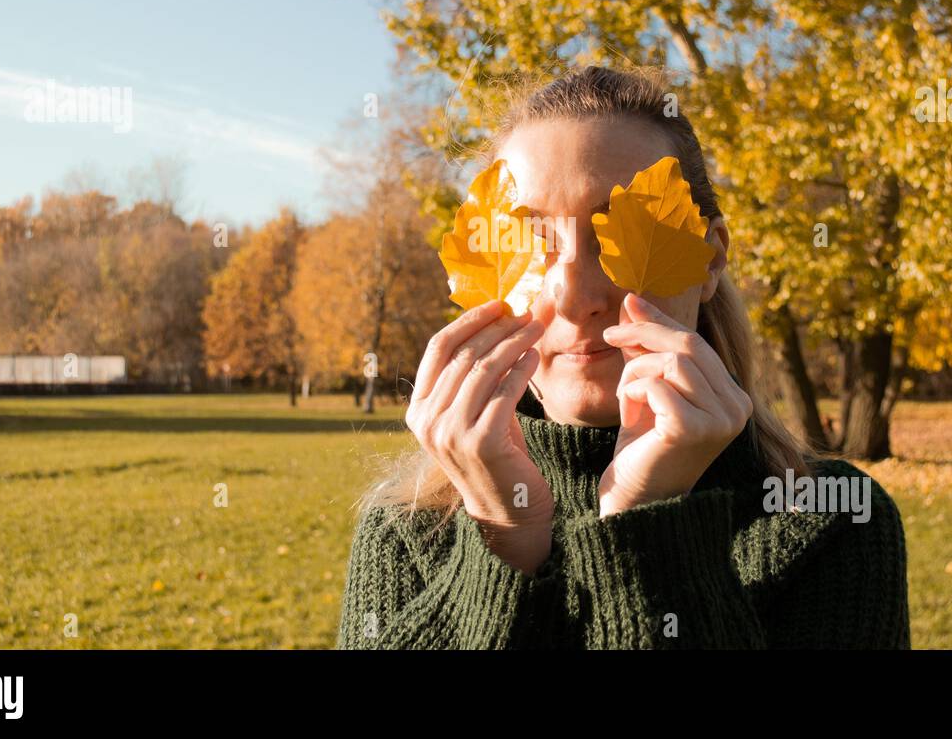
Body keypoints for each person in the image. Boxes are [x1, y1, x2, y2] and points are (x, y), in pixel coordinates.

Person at [335, 65, 910, 649]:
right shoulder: (407, 536)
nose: (575, 297)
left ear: (711, 260)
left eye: (621, 236)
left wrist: (647, 530)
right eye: (533, 241)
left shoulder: (831, 521)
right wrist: (503, 537)